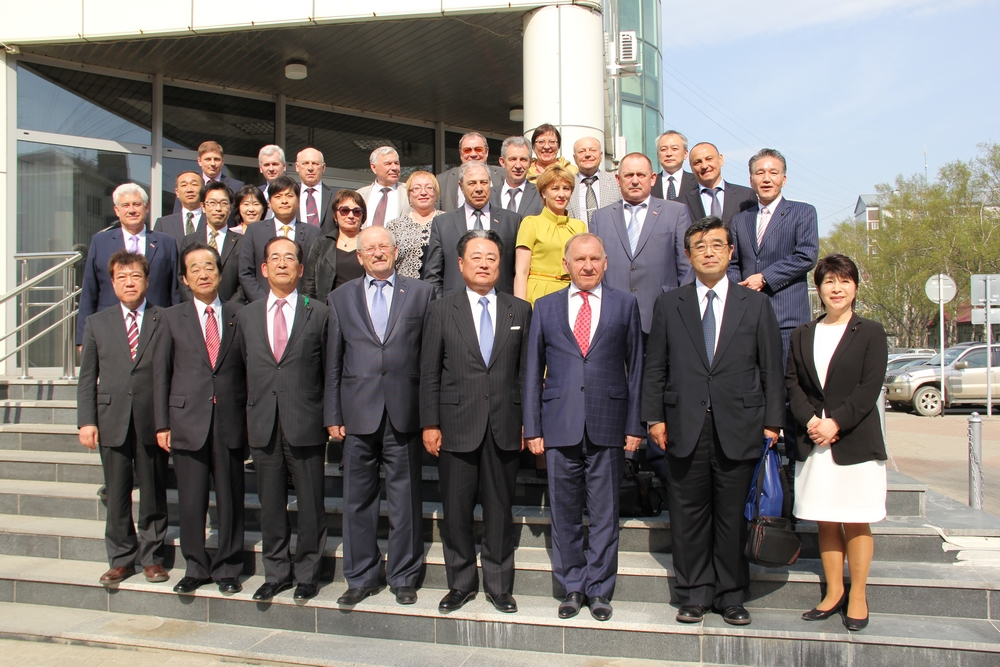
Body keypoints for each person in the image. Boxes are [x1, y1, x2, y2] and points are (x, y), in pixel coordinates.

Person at [641, 216, 784, 627]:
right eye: (700, 247)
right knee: (687, 515)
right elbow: (656, 366)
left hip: (740, 424)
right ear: (688, 255)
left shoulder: (755, 304)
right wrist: (653, 418)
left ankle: (731, 595)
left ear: (730, 252)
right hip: (683, 426)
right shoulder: (670, 304)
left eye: (717, 245)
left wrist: (773, 422)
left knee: (731, 515)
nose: (709, 253)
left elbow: (771, 368)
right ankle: (694, 593)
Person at [522, 233, 643, 622]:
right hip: (559, 423)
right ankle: (572, 586)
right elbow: (531, 371)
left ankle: (600, 589)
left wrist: (634, 425)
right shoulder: (545, 306)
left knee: (605, 513)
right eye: (579, 259)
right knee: (564, 512)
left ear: (605, 263)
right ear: (566, 264)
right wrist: (532, 427)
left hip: (609, 422)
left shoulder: (625, 305)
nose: (587, 266)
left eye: (594, 259)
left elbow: (637, 368)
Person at [420, 229, 532, 614]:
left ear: (501, 264)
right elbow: (429, 372)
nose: (484, 264)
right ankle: (461, 583)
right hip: (455, 423)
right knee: (456, 510)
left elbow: (525, 374)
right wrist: (430, 423)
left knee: (500, 509)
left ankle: (499, 586)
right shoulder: (440, 309)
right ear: (461, 263)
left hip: (505, 424)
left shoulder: (520, 310)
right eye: (476, 257)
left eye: (491, 258)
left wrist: (528, 422)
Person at [325, 226, 435, 608]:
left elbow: (429, 359)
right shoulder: (340, 297)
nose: (377, 253)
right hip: (357, 412)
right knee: (357, 500)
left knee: (405, 500)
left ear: (395, 250)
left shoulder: (421, 293)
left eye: (383, 246)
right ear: (359, 256)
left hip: (404, 411)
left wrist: (429, 414)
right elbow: (333, 362)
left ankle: (403, 576)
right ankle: (360, 576)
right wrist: (332, 413)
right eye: (369, 248)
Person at [786, 254, 888, 632]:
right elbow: (792, 383)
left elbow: (868, 388)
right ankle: (833, 592)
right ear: (818, 289)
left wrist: (836, 423)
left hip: (855, 441)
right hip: (815, 441)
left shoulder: (871, 332)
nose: (837, 288)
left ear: (855, 287)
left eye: (844, 281)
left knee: (856, 520)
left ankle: (857, 595)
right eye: (829, 281)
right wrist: (813, 421)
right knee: (826, 520)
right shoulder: (802, 334)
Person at [237, 236, 330, 602]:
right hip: (263, 422)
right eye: (274, 258)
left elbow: (329, 371)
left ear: (301, 268)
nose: (281, 263)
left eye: (289, 258)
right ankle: (275, 572)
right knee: (271, 505)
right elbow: (242, 369)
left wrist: (330, 417)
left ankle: (308, 574)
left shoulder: (318, 312)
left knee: (311, 504)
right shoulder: (246, 316)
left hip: (305, 421)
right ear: (263, 269)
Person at [153, 243, 247, 596]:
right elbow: (160, 373)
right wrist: (162, 423)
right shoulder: (170, 318)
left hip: (229, 419)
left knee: (231, 498)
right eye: (195, 268)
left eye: (209, 266)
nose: (203, 273)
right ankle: (195, 566)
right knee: (191, 500)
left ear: (220, 274)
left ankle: (228, 566)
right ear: (184, 278)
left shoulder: (239, 314)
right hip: (187, 419)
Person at [77, 251, 168, 587]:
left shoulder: (164, 319)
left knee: (153, 492)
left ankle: (152, 558)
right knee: (116, 493)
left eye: (136, 276)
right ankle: (120, 559)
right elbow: (87, 377)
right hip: (111, 418)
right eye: (122, 277)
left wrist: (166, 421)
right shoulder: (97, 323)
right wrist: (86, 421)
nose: (129, 283)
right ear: (113, 283)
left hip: (151, 419)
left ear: (147, 280)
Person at [727, 148, 819, 360]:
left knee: (787, 378)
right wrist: (739, 288)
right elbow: (733, 263)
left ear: (784, 179)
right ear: (751, 181)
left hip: (787, 320)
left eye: (773, 172)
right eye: (760, 173)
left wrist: (764, 277)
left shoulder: (803, 212)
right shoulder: (740, 220)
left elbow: (806, 255)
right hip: (748, 318)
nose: (766, 179)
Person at [590, 152, 692, 339]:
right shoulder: (600, 217)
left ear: (653, 179)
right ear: (618, 180)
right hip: (612, 317)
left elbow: (686, 267)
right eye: (629, 175)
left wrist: (681, 308)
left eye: (641, 175)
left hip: (661, 315)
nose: (635, 181)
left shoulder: (676, 212)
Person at [77, 183, 179, 346]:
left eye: (137, 204)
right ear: (117, 210)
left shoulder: (166, 243)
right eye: (125, 205)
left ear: (146, 208)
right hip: (110, 329)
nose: (131, 210)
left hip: (158, 328)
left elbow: (175, 291)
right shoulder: (100, 242)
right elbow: (89, 291)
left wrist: (178, 334)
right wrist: (82, 339)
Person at [423, 162, 521, 298]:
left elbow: (519, 271)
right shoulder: (443, 223)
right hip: (455, 304)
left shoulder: (512, 221)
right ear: (461, 186)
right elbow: (433, 276)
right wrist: (441, 307)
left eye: (484, 182)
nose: (479, 188)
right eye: (472, 183)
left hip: (501, 303)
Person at [239, 174, 322, 302]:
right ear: (270, 202)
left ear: (298, 201)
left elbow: (316, 275)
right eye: (278, 196)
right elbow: (246, 273)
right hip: (262, 304)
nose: (284, 201)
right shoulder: (254, 231)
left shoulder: (314, 233)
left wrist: (303, 303)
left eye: (289, 196)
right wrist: (264, 302)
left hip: (302, 305)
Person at [513, 166, 587, 305]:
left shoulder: (580, 226)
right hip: (539, 295)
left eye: (566, 188)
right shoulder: (531, 223)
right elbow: (521, 272)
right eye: (555, 189)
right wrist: (520, 309)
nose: (561, 194)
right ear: (543, 193)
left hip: (572, 295)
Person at [180, 181, 245, 303]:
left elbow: (246, 278)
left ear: (230, 208)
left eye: (224, 203)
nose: (218, 209)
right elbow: (182, 278)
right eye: (212, 203)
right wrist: (198, 304)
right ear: (203, 207)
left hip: (232, 309)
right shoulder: (189, 240)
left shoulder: (242, 242)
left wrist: (230, 307)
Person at [302, 189, 367, 303]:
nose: (351, 215)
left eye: (356, 211)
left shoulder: (370, 243)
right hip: (328, 308)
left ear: (363, 216)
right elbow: (309, 284)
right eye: (344, 210)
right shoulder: (322, 243)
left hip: (362, 307)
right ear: (335, 216)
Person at [386, 171, 446, 279]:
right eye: (416, 188)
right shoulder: (394, 226)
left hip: (442, 286)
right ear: (409, 195)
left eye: (429, 187)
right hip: (406, 287)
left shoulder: (448, 221)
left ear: (436, 194)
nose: (423, 192)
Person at [680, 143, 756, 226]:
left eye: (709, 159)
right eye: (698, 162)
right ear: (691, 168)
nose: (704, 166)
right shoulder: (681, 203)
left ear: (720, 160)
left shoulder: (747, 196)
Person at [437, 132, 505, 212]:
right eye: (467, 150)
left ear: (486, 152)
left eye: (478, 149)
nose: (473, 154)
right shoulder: (442, 180)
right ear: (461, 153)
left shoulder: (504, 175)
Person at [172, 141, 244, 214]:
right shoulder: (188, 187)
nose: (212, 163)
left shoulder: (237, 187)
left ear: (222, 161)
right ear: (199, 161)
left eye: (216, 159)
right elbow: (177, 216)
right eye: (208, 159)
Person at [567, 136, 621, 226]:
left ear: (601, 155)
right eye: (582, 151)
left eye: (592, 150)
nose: (587, 154)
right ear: (575, 158)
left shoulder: (616, 181)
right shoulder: (567, 185)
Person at [489, 136, 542, 217]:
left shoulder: (541, 195)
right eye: (513, 159)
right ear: (502, 162)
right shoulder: (489, 195)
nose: (518, 166)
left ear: (530, 162)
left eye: (523, 159)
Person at [357, 146, 411, 226]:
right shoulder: (360, 195)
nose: (394, 168)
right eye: (388, 164)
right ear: (374, 168)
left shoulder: (410, 192)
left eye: (396, 163)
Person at [154, 171, 204, 248]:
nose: (189, 190)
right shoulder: (163, 224)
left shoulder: (212, 220)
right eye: (184, 185)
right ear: (177, 192)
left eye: (194, 184)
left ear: (203, 190)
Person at [650, 131, 697, 201]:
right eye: (663, 149)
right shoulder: (649, 183)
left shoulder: (697, 182)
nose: (669, 154)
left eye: (674, 149)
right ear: (658, 154)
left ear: (685, 154)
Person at [296, 147, 335, 228]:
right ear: (297, 167)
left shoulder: (336, 196)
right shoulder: (290, 195)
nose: (310, 168)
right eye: (305, 163)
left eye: (315, 163)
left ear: (323, 168)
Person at [257, 144, 287, 215]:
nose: (271, 169)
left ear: (284, 166)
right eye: (266, 165)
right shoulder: (257, 193)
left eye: (275, 164)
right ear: (261, 168)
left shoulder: (295, 191)